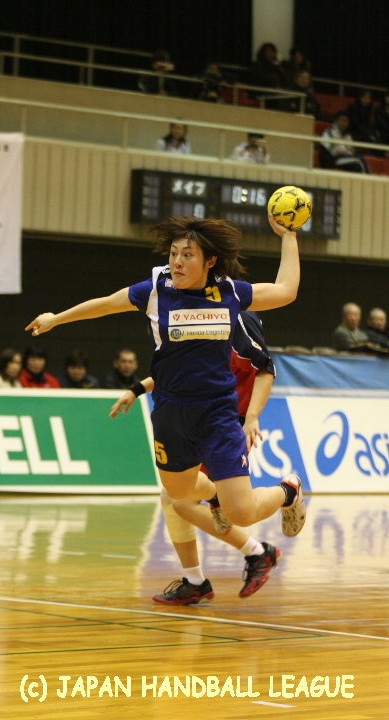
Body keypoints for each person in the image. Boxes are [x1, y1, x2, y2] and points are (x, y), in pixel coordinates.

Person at [25, 214, 305, 541]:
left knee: (241, 514)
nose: (177, 262)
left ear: (209, 261)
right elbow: (107, 304)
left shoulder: (229, 292)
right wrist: (56, 319)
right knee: (179, 491)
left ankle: (289, 491)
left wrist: (289, 237)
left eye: (187, 255)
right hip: (172, 413)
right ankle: (216, 492)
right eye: (173, 253)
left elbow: (286, 291)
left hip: (217, 414)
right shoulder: (157, 290)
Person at [110, 311, 282, 604]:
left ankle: (280, 504)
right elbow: (182, 371)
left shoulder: (238, 316)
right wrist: (138, 389)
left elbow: (265, 368)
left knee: (191, 503)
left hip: (226, 424)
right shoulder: (203, 317)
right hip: (199, 418)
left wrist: (252, 417)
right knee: (176, 498)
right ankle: (206, 575)